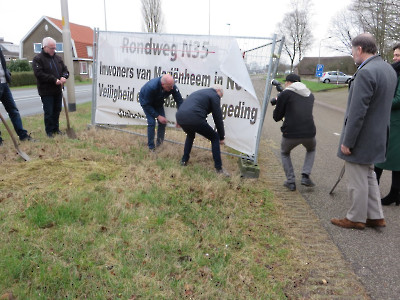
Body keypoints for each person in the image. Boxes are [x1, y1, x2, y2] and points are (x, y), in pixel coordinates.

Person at [331, 33, 397, 230]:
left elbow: (358, 112)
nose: (352, 55)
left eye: (352, 51)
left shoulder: (366, 72)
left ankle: (355, 218)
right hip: (379, 134)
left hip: (362, 137)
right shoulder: (388, 69)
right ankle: (376, 216)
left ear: (359, 49)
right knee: (369, 176)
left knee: (357, 179)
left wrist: (348, 141)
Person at [272, 73, 316, 191]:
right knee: (311, 149)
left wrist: (278, 102)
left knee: (285, 153)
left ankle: (290, 181)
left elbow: (276, 117)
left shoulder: (285, 94)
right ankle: (305, 176)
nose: (285, 84)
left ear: (289, 82)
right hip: (309, 132)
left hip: (290, 133)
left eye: (286, 82)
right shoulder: (310, 95)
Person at [175, 85, 229, 176]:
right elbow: (218, 118)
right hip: (194, 118)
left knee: (190, 135)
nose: (219, 98)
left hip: (180, 116)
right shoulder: (214, 95)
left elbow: (186, 105)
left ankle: (184, 161)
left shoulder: (201, 92)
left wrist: (179, 120)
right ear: (218, 90)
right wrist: (221, 136)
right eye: (220, 96)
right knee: (215, 137)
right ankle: (219, 169)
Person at [374, 43, 400, 206]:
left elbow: (398, 99)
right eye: (395, 55)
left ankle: (377, 193)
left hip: (396, 123)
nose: (395, 58)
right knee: (392, 160)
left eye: (398, 55)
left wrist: (379, 101)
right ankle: (394, 194)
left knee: (382, 158)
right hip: (392, 121)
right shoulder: (395, 71)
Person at [32, 37, 69, 138]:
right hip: (46, 91)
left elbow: (65, 70)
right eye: (52, 48)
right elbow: (39, 74)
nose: (54, 50)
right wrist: (53, 80)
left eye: (54, 48)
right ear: (45, 47)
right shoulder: (38, 59)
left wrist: (64, 77)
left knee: (57, 110)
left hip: (58, 90)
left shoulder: (58, 59)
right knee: (49, 111)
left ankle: (55, 129)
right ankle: (49, 131)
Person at [139, 74, 183, 151]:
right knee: (152, 122)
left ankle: (159, 145)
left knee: (163, 122)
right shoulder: (151, 87)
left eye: (173, 85)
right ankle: (151, 147)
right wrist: (158, 116)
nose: (172, 88)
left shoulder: (172, 86)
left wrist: (180, 117)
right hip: (146, 102)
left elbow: (179, 101)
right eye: (169, 86)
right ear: (163, 84)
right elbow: (146, 104)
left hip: (158, 101)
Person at [0, 48, 34, 145]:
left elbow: (3, 64)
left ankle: (23, 135)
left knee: (13, 110)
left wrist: (7, 73)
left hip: (4, 84)